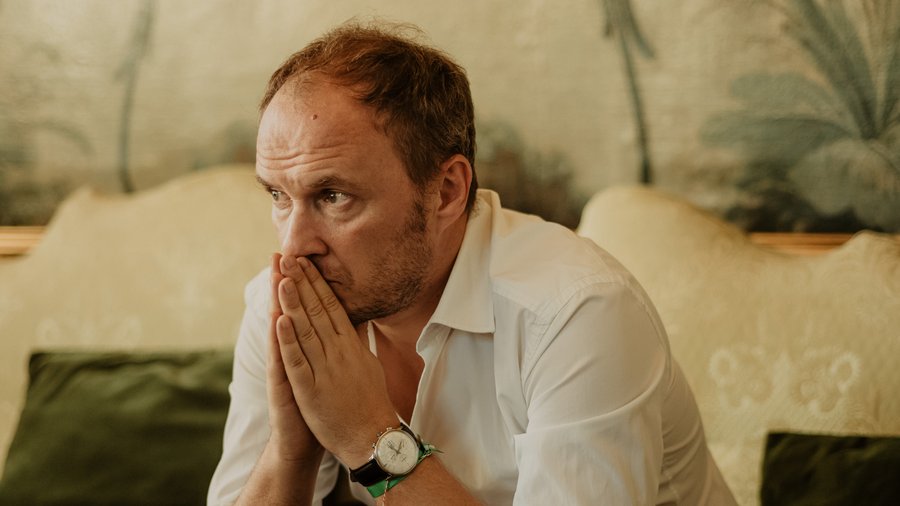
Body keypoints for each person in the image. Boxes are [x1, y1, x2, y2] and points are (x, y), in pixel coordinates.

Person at [208, 21, 736, 506]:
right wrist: (292, 451)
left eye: (333, 196)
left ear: (446, 191)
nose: (295, 245)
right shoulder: (283, 305)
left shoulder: (577, 311)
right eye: (278, 195)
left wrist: (370, 438)